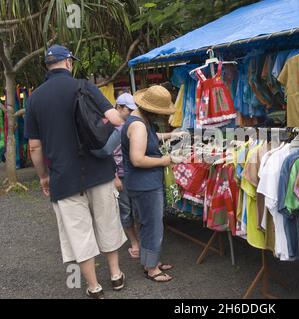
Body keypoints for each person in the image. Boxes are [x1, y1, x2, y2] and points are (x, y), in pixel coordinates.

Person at [24, 44, 127, 299]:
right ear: (68, 62)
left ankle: (94, 287)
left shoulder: (34, 99)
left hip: (63, 177)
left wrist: (43, 177)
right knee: (107, 221)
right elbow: (115, 119)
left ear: (47, 66)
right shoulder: (85, 86)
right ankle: (115, 275)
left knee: (77, 233)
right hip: (99, 170)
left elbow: (34, 146)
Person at [121, 85, 187, 283]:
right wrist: (165, 161)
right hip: (145, 184)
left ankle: (151, 262)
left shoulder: (139, 120)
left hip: (141, 183)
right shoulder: (139, 125)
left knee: (149, 224)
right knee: (153, 225)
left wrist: (171, 135)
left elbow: (150, 139)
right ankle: (151, 269)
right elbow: (138, 159)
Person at [112, 93, 140, 259]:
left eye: (132, 110)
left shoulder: (133, 125)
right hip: (121, 176)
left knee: (137, 209)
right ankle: (134, 242)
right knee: (126, 210)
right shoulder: (111, 128)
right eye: (128, 109)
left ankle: (139, 241)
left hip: (134, 173)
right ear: (119, 108)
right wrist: (114, 177)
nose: (130, 113)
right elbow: (107, 155)